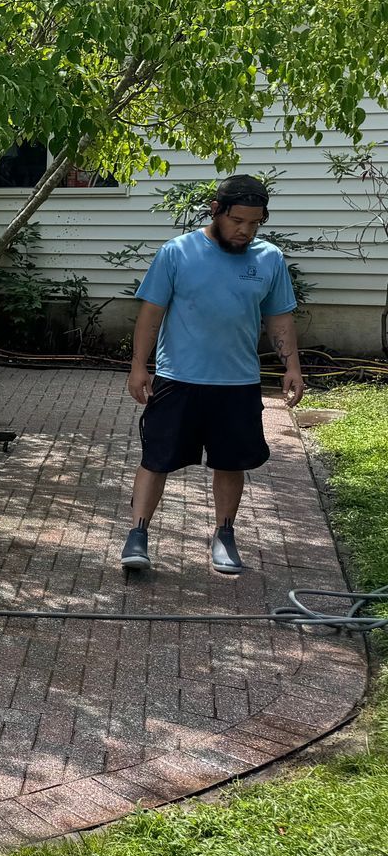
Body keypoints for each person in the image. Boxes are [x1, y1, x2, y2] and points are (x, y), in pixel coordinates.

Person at [121, 174, 304, 577]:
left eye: (255, 223)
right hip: (178, 379)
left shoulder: (268, 258)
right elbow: (151, 315)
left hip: (237, 383)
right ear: (216, 211)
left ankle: (224, 534)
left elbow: (279, 316)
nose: (246, 230)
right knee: (157, 458)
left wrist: (292, 366)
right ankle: (137, 535)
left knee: (230, 461)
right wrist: (139, 366)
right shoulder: (178, 252)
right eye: (238, 221)